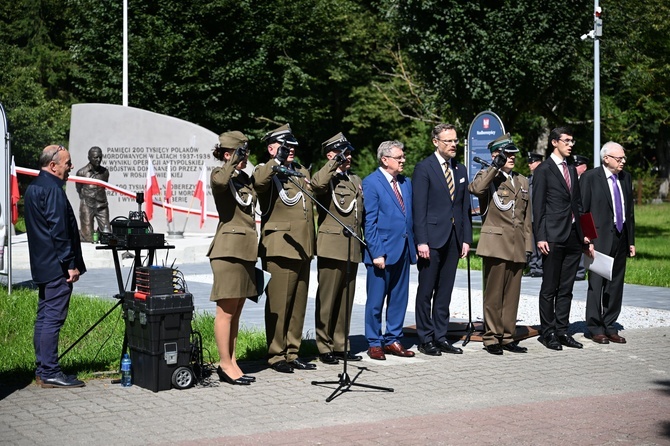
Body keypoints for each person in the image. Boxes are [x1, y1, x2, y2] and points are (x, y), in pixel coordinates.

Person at [253, 124, 316, 373]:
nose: (290, 150)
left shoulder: (300, 171)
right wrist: (275, 162)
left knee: (298, 305)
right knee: (279, 305)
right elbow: (258, 184)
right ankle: (276, 354)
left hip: (303, 247)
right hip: (280, 247)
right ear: (271, 148)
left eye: (291, 146)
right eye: (283, 146)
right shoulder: (265, 170)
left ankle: (292, 352)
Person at [24, 145, 86, 388]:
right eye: (67, 162)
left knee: (44, 317)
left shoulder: (35, 187)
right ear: (53, 165)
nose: (70, 167)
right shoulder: (52, 190)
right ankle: (49, 370)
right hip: (57, 267)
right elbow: (59, 231)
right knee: (52, 319)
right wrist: (70, 264)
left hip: (42, 265)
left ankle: (43, 369)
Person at [468, 134, 532, 355]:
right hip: (495, 243)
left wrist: (529, 246)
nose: (512, 157)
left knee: (512, 295)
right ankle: (491, 337)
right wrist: (494, 167)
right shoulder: (487, 176)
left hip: (517, 244)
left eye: (514, 153)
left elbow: (526, 218)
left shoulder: (522, 181)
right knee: (493, 294)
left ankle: (507, 336)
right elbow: (476, 189)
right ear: (496, 155)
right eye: (508, 153)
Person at [412, 123, 472, 356]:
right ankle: (425, 338)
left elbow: (464, 208)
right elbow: (419, 208)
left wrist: (466, 238)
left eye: (455, 140)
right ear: (436, 142)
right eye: (448, 141)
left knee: (445, 291)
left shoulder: (460, 170)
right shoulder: (424, 168)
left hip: (454, 239)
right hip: (431, 240)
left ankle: (440, 335)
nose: (453, 145)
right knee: (426, 290)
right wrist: (422, 241)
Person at [532, 127, 593, 351]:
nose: (571, 144)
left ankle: (562, 330)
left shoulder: (571, 168)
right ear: (554, 143)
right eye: (566, 141)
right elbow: (538, 207)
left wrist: (587, 234)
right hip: (552, 236)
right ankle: (547, 333)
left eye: (572, 141)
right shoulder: (544, 170)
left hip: (573, 236)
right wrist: (541, 236)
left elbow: (578, 204)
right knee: (550, 287)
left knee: (566, 287)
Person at [207, 131, 257, 385]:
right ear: (228, 154)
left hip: (246, 250)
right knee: (225, 310)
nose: (245, 157)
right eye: (241, 152)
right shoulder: (220, 174)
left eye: (246, 152)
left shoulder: (243, 179)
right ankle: (224, 363)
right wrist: (230, 161)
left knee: (236, 311)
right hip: (227, 251)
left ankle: (232, 360)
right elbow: (219, 183)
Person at [311, 133, 364, 365]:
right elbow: (317, 185)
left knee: (345, 299)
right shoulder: (326, 178)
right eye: (343, 153)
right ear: (331, 154)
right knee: (327, 300)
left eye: (349, 153)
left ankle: (341, 344)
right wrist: (333, 163)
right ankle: (324, 346)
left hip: (351, 247)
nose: (348, 157)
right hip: (331, 247)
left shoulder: (355, 180)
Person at [362, 140, 417, 360]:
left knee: (399, 299)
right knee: (375, 301)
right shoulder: (372, 182)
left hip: (403, 248)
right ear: (385, 160)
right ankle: (374, 343)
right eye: (399, 157)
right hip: (381, 253)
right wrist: (376, 252)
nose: (403, 160)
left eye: (403, 156)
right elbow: (370, 222)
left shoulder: (405, 182)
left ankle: (393, 339)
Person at [580, 142, 635, 344]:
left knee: (616, 284)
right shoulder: (590, 178)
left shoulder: (626, 178)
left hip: (620, 238)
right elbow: (583, 210)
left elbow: (629, 212)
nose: (623, 162)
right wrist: (587, 239)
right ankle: (595, 328)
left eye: (623, 158)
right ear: (606, 158)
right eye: (619, 158)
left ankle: (610, 325)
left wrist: (631, 240)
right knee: (597, 283)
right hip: (598, 239)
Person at [75, 146, 110, 242]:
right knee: (87, 237)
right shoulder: (81, 172)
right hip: (87, 205)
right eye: (95, 157)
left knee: (107, 236)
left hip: (102, 206)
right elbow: (79, 189)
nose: (98, 160)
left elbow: (104, 187)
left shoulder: (105, 172)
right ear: (89, 158)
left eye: (100, 157)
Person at [524, 152, 544, 278]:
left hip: (541, 217)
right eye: (529, 162)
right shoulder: (528, 180)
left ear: (539, 163)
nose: (530, 164)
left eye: (533, 162)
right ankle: (533, 267)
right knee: (531, 243)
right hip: (530, 217)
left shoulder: (544, 178)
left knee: (540, 242)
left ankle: (540, 267)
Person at [573, 154, 590, 281]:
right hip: (573, 217)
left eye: (578, 164)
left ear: (584, 167)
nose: (575, 167)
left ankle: (580, 271)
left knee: (584, 241)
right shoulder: (572, 179)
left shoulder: (587, 179)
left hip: (585, 216)